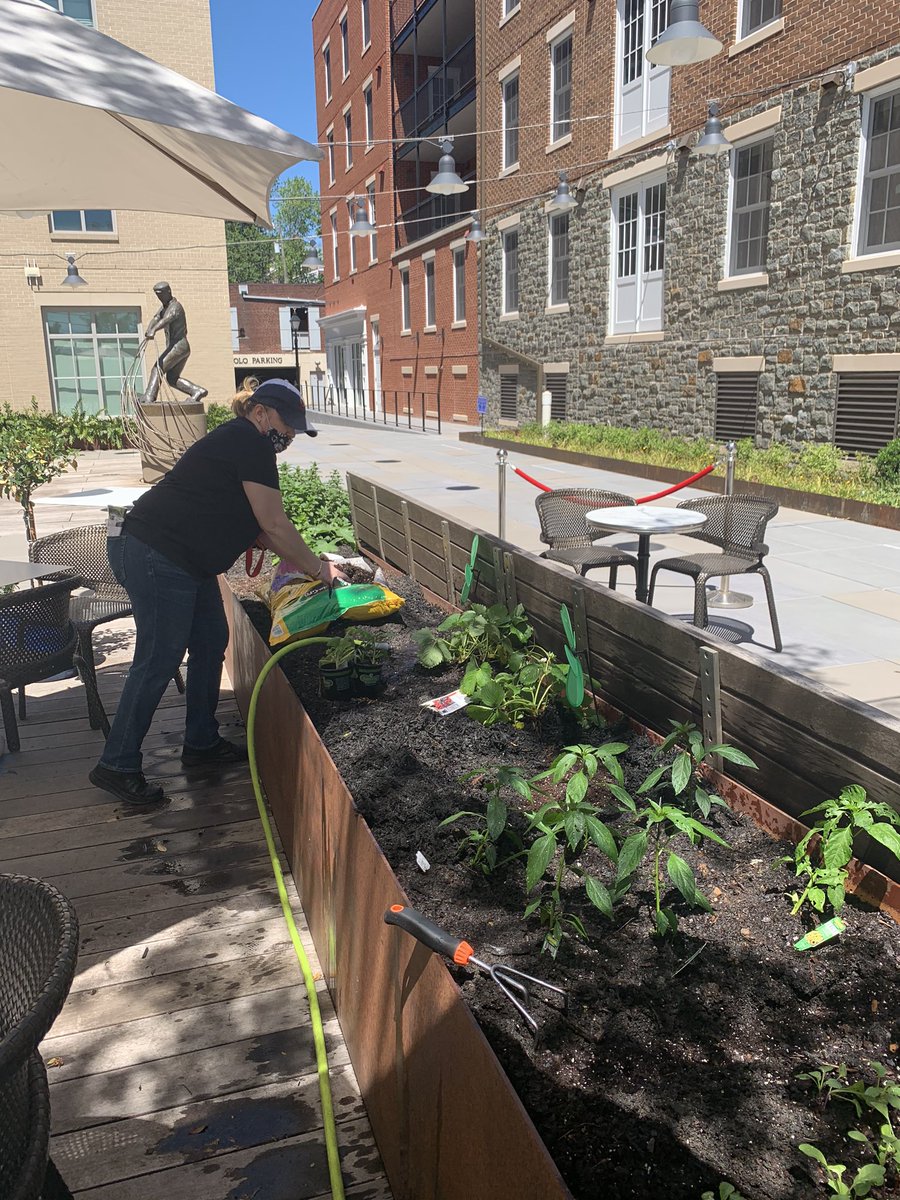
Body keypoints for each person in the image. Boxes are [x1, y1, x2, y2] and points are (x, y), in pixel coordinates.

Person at [89, 378, 346, 806]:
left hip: (184, 560)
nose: (289, 437)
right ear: (260, 412)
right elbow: (273, 524)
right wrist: (321, 570)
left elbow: (257, 525)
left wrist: (294, 554)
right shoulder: (249, 442)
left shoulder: (243, 442)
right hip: (158, 552)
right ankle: (116, 763)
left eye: (296, 431)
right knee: (158, 658)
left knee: (211, 640)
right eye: (287, 424)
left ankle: (201, 743)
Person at [139, 281, 208, 404]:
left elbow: (167, 319)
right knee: (172, 379)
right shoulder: (164, 308)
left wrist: (154, 330)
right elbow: (156, 318)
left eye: (161, 294)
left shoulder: (175, 306)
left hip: (179, 346)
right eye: (157, 295)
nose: (159, 297)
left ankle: (149, 396)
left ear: (168, 292)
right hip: (177, 347)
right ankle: (197, 391)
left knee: (157, 368)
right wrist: (150, 328)